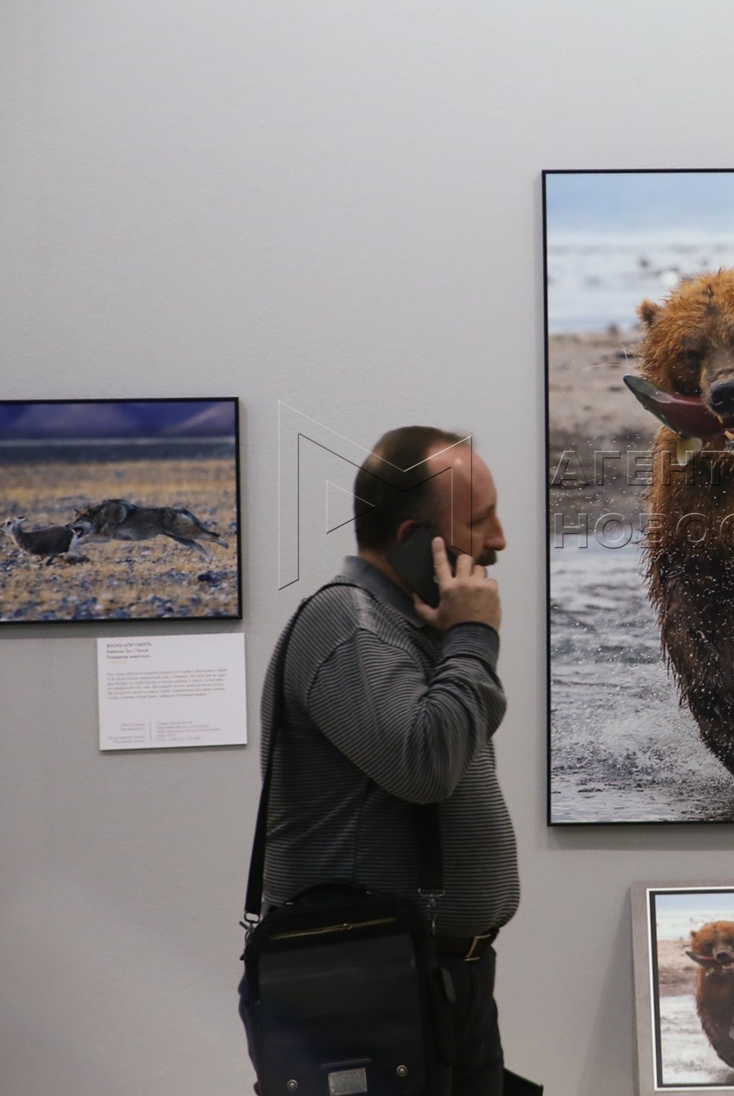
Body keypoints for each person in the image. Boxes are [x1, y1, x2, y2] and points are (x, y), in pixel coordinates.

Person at [255, 425, 518, 1095]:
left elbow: (447, 742)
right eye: (480, 521)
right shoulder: (347, 624)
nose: (499, 541)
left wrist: (458, 643)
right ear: (410, 538)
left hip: (433, 978)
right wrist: (472, 636)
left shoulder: (403, 628)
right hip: (370, 983)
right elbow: (424, 763)